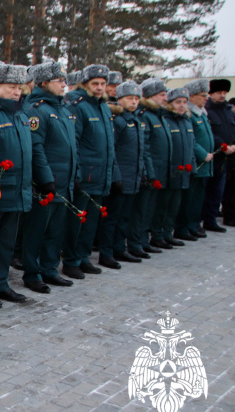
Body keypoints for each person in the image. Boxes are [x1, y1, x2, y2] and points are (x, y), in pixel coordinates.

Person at [0, 64, 50, 304]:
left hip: (19, 189)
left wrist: (42, 178)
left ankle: (0, 283)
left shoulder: (21, 113)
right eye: (11, 87)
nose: (17, 92)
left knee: (6, 243)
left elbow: (31, 151)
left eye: (19, 87)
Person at [20, 62, 79, 293]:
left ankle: (50, 269)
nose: (64, 84)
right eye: (59, 80)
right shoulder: (37, 109)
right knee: (37, 230)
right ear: (44, 82)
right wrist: (45, 179)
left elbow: (73, 147)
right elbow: (36, 148)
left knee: (56, 229)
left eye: (64, 80)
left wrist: (77, 175)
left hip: (65, 181)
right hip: (46, 184)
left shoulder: (63, 110)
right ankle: (32, 273)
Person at [61, 64, 118, 280]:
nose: (99, 88)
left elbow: (109, 144)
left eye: (103, 84)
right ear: (85, 84)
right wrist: (76, 173)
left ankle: (84, 257)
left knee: (92, 219)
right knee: (78, 220)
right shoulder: (78, 106)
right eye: (95, 84)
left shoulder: (103, 107)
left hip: (101, 174)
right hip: (85, 174)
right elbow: (73, 143)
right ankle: (71, 260)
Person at [97, 81, 146, 268]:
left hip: (132, 177)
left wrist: (142, 173)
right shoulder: (118, 121)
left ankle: (119, 248)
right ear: (120, 99)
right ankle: (106, 252)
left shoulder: (136, 120)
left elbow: (140, 152)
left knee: (124, 217)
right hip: (119, 178)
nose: (133, 102)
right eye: (129, 98)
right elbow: (112, 151)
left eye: (136, 98)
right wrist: (116, 176)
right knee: (111, 219)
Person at [130, 78, 169, 254]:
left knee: (150, 208)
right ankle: (136, 241)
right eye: (162, 95)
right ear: (151, 96)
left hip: (159, 169)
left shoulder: (158, 114)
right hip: (147, 171)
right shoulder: (144, 115)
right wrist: (149, 172)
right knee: (140, 210)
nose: (165, 98)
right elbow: (144, 147)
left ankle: (143, 240)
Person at [153, 88, 195, 245]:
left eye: (185, 102)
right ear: (169, 103)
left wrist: (193, 165)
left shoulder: (186, 121)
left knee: (174, 206)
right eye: (178, 102)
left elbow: (192, 144)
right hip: (169, 170)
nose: (182, 105)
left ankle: (167, 233)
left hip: (183, 171)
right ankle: (157, 235)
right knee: (162, 206)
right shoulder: (166, 119)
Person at [176, 79, 215, 239]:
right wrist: (202, 154)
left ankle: (193, 224)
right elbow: (192, 139)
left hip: (205, 164)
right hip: (196, 162)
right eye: (203, 95)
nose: (206, 98)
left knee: (198, 197)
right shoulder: (189, 114)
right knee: (189, 199)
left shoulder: (202, 113)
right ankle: (185, 226)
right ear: (192, 96)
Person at [203, 79, 235, 231]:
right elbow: (208, 133)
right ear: (211, 94)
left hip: (228, 156)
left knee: (219, 190)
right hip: (213, 155)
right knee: (207, 190)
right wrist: (222, 146)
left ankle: (211, 219)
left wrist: (233, 146)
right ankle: (200, 220)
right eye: (219, 93)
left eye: (224, 93)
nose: (222, 96)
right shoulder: (206, 110)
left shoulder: (228, 110)